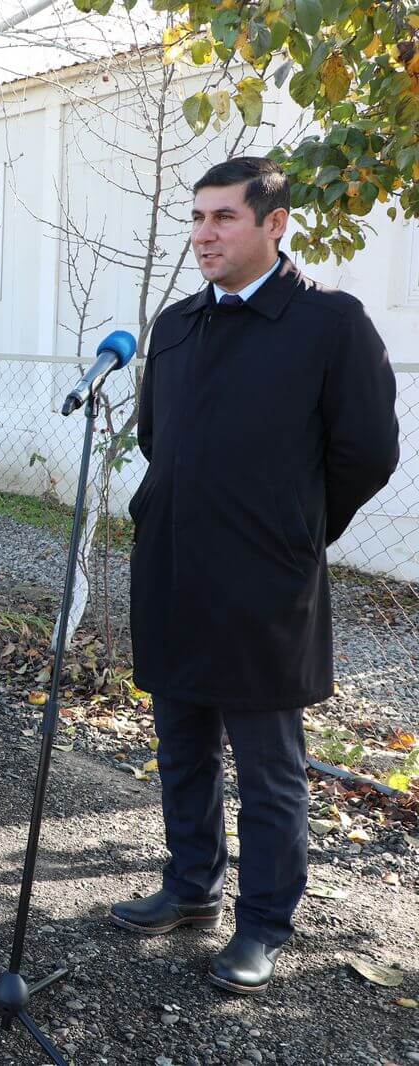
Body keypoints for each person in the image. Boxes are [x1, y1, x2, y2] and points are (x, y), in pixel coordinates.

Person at [111, 157, 400, 995]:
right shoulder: (174, 326)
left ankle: (264, 923)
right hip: (173, 570)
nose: (203, 234)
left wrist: (294, 530)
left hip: (265, 585)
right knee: (181, 745)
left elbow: (367, 454)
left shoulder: (329, 325)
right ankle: (191, 886)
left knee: (268, 768)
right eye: (196, 218)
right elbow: (157, 439)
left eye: (223, 219)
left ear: (275, 225)